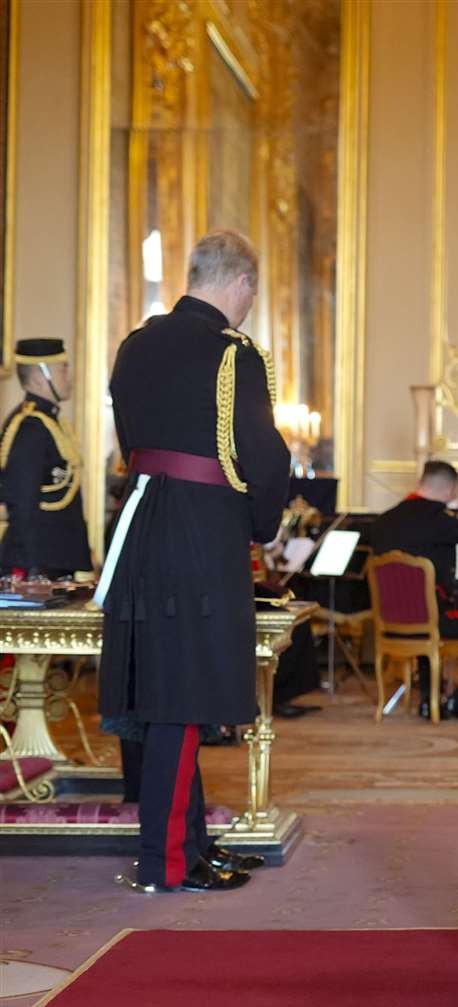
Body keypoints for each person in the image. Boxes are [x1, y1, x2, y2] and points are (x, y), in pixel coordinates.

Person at [97, 230, 289, 891]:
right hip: (199, 535)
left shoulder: (136, 345)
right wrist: (262, 527)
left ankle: (194, 846)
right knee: (180, 696)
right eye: (252, 293)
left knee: (168, 686)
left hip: (140, 520)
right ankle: (167, 863)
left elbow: (132, 440)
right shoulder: (233, 355)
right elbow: (262, 456)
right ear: (240, 284)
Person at [370, 459, 458, 720]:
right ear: (451, 491)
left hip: (390, 622)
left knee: (429, 614)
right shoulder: (441, 521)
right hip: (436, 620)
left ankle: (429, 700)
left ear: (421, 483)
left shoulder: (382, 522)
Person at [0, 339, 93, 577]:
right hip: (40, 565)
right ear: (41, 376)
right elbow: (22, 503)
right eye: (63, 369)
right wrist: (33, 570)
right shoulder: (30, 427)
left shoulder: (53, 424)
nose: (68, 377)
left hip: (58, 560)